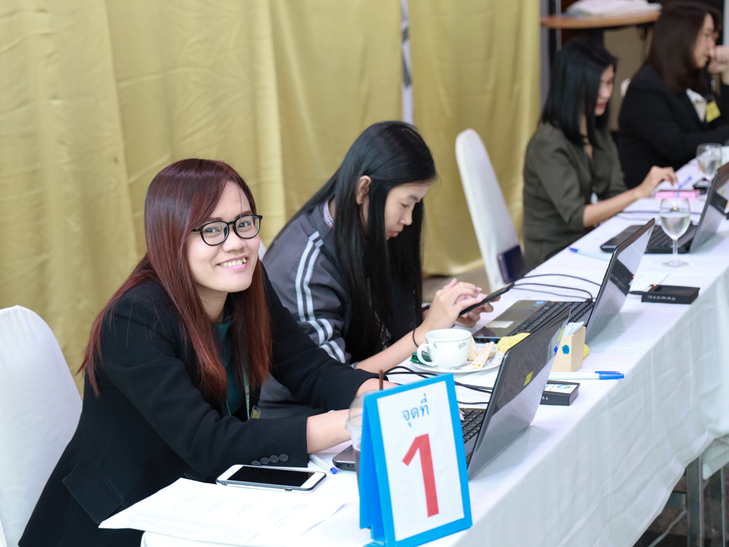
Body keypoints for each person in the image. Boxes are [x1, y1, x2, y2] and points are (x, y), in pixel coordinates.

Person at [20, 159, 382, 547]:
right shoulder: (133, 320)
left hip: (200, 500)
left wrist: (382, 394)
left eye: (244, 223)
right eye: (212, 229)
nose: (236, 243)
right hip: (117, 520)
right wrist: (354, 422)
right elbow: (208, 443)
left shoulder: (246, 285)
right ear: (171, 238)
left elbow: (309, 369)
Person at [260, 121, 490, 417]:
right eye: (405, 205)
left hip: (371, 391)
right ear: (363, 189)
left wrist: (440, 316)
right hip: (311, 417)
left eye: (415, 206)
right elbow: (335, 382)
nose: (408, 220)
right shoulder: (303, 268)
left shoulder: (368, 230)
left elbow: (371, 326)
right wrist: (424, 333)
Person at [522, 38, 676, 270]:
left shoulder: (596, 130)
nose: (606, 93)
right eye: (599, 85)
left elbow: (614, 191)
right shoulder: (547, 143)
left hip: (592, 241)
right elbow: (578, 216)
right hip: (554, 256)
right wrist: (638, 193)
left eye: (610, 83)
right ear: (573, 85)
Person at [619, 1, 729, 188]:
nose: (712, 45)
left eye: (713, 36)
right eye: (707, 35)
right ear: (683, 36)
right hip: (657, 193)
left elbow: (720, 123)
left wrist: (727, 71)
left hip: (693, 183)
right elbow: (677, 146)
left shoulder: (696, 76)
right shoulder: (645, 87)